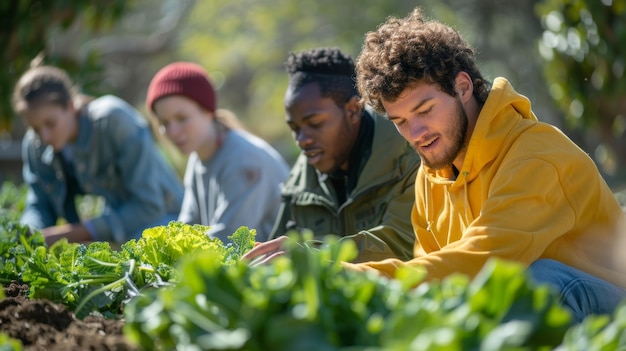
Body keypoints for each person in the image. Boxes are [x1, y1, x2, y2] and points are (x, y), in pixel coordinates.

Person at [246, 8, 626, 322]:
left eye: (425, 110)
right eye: (400, 122)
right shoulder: (433, 171)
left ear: (462, 86)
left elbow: (483, 261)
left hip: (609, 306)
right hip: (526, 307)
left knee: (537, 281)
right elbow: (430, 272)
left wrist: (332, 270)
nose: (416, 133)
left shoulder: (537, 156)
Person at [266, 47, 421, 262]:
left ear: (352, 110)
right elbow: (275, 253)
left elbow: (403, 243)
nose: (302, 140)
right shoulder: (300, 179)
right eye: (295, 128)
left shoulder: (411, 157)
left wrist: (311, 255)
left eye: (315, 124)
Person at [13, 65, 184, 246]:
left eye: (50, 123)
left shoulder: (113, 121)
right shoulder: (35, 145)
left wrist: (71, 234)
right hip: (119, 229)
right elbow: (40, 203)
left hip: (167, 220)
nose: (44, 136)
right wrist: (28, 236)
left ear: (70, 106)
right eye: (35, 128)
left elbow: (149, 206)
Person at [146, 61, 290, 243]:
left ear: (207, 111)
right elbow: (187, 228)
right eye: (164, 123)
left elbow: (228, 239)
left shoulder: (245, 160)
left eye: (182, 118)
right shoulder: (197, 157)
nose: (173, 132)